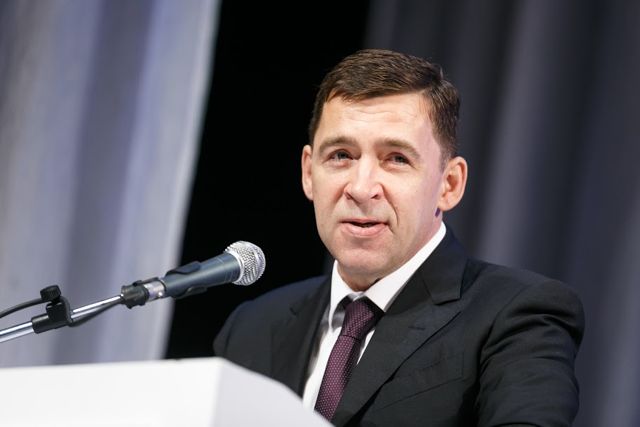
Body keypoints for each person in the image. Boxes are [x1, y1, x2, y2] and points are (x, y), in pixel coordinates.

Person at [213, 49, 584, 426]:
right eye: (341, 155)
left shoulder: (517, 315)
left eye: (396, 159)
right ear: (309, 173)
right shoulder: (252, 327)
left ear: (449, 184)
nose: (361, 188)